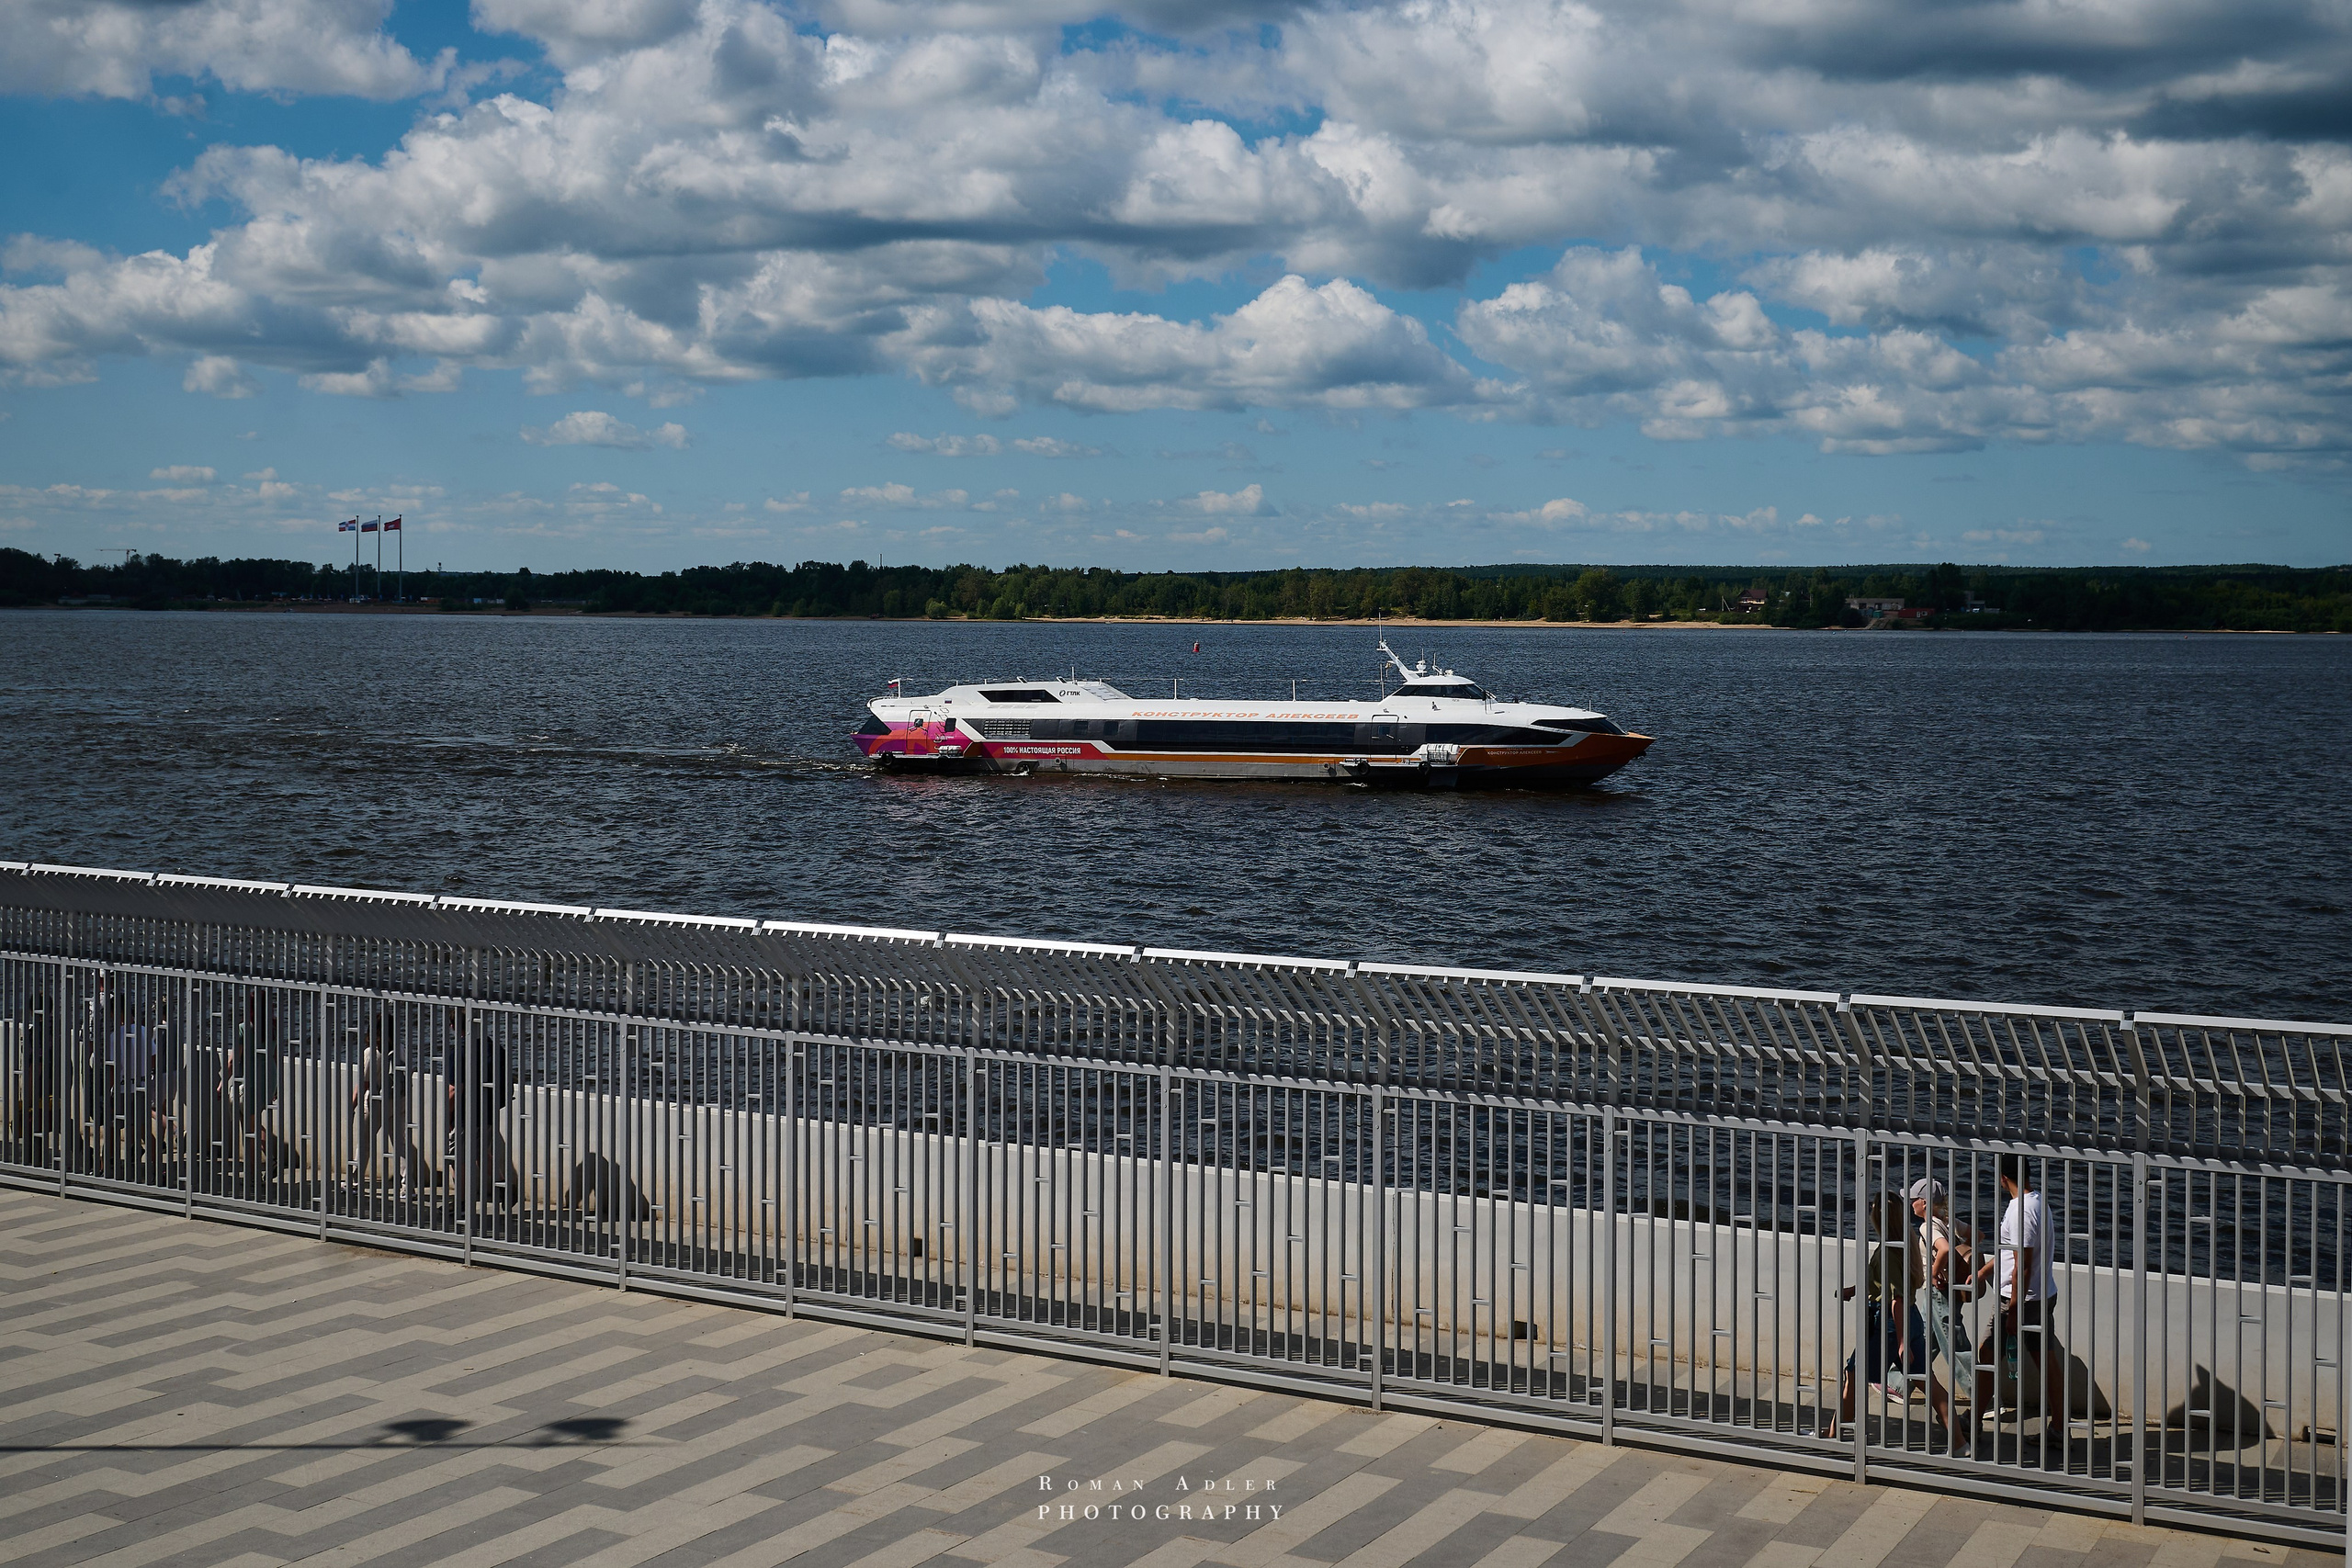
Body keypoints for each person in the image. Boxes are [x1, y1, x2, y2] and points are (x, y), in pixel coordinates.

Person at [1971, 1154, 2069, 1423]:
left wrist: (2014, 1311)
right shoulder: (2037, 1202)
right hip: (2042, 1293)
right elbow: (2011, 1252)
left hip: (2019, 1301)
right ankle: (2060, 1427)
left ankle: (1973, 1421)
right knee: (2046, 1362)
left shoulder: (2020, 1212)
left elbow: (2022, 1266)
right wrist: (1983, 1272)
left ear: (2003, 1178)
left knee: (1987, 1355)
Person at [1823, 1193, 1928, 1443]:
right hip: (1910, 1317)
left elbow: (1896, 1298)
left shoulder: (1888, 1250)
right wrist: (1854, 1290)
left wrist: (1901, 1341)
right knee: (1927, 1382)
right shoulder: (1903, 1242)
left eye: (1874, 1207)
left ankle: (1836, 1435)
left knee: (1853, 1374)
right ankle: (1959, 1442)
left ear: (1880, 1216)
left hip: (1888, 1324)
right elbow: (1884, 1283)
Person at [1904, 1177, 1975, 1438]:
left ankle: (1983, 1397)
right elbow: (1976, 1236)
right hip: (1944, 1291)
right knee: (1922, 1339)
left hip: (1938, 1292)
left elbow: (1943, 1249)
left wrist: (1934, 1273)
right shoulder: (1947, 1221)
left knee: (1954, 1346)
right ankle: (1897, 1383)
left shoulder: (1927, 1227)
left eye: (1913, 1199)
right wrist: (1964, 1263)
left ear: (1924, 1202)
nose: (1910, 1203)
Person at [347, 1013, 415, 1197]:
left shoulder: (371, 1052)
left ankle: (354, 1182)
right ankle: (407, 1186)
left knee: (364, 1142)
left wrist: (352, 1105)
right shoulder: (401, 1048)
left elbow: (364, 1083)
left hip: (376, 1102)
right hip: (399, 1100)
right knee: (400, 1144)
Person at [222, 992, 283, 1178]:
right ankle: (268, 1160)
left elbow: (233, 1061)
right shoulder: (273, 1027)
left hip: (249, 1081)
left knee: (248, 1129)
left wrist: (221, 1084)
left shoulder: (244, 1028)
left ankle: (253, 1173)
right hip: (268, 1078)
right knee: (253, 1122)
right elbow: (275, 1057)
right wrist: (276, 1086)